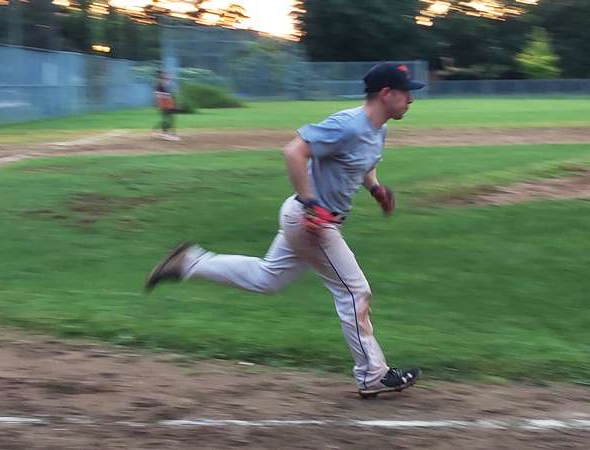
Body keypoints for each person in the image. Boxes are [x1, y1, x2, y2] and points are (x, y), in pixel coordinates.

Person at [144, 63, 425, 398]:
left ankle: (189, 262)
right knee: (354, 292)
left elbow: (361, 163)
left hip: (310, 220)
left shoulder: (377, 130)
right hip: (312, 222)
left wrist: (376, 189)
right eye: (407, 92)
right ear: (386, 93)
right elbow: (293, 151)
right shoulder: (348, 125)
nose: (411, 99)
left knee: (268, 278)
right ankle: (372, 374)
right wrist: (311, 204)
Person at [155, 71, 180, 141]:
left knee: (169, 118)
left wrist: (174, 102)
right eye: (165, 78)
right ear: (160, 78)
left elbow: (168, 95)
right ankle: (166, 134)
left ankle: (165, 133)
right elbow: (161, 95)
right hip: (165, 103)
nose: (167, 79)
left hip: (167, 103)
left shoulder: (163, 85)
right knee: (168, 118)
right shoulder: (159, 85)